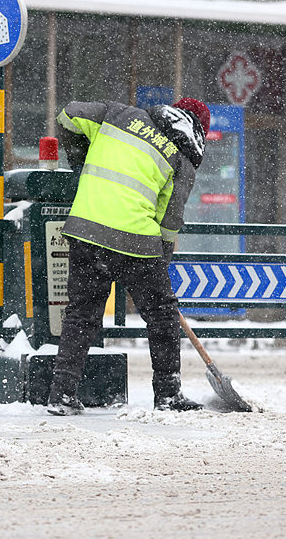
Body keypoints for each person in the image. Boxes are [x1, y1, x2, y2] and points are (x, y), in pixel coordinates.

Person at [46, 97, 212, 415]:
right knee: (162, 315)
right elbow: (169, 220)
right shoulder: (181, 158)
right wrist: (160, 262)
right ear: (198, 131)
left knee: (81, 315)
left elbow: (68, 115)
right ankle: (167, 393)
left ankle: (62, 394)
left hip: (85, 229)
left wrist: (80, 161)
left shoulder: (117, 114)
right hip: (135, 239)